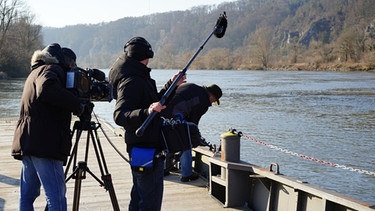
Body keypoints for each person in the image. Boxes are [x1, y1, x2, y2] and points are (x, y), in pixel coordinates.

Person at [108, 36, 185, 211]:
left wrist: (171, 85)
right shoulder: (131, 81)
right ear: (144, 55)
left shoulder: (139, 77)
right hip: (144, 150)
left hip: (146, 148)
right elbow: (120, 115)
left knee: (140, 196)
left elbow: (155, 103)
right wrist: (146, 112)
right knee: (149, 200)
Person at [12, 43, 84, 210]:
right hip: (45, 143)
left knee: (27, 195)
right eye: (71, 65)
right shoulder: (52, 69)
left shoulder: (34, 72)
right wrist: (77, 104)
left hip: (28, 141)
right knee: (56, 195)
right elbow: (46, 89)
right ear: (65, 62)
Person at [162, 83, 222, 182]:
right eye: (214, 100)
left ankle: (165, 168)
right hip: (176, 116)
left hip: (163, 112)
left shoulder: (192, 87)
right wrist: (197, 140)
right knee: (186, 141)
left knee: (169, 140)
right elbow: (193, 124)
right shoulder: (203, 101)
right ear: (212, 95)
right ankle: (186, 174)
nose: (212, 103)